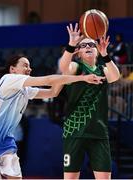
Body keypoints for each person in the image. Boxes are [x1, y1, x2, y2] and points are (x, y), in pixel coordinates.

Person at [0, 54, 105, 179]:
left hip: (5, 141)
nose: (29, 69)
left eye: (30, 66)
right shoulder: (9, 79)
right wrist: (82, 78)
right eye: (25, 65)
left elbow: (53, 92)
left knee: (16, 178)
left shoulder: (25, 90)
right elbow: (48, 80)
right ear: (13, 69)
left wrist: (67, 74)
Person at [59, 23, 120, 179]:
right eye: (83, 45)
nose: (88, 46)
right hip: (74, 131)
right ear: (79, 52)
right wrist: (71, 45)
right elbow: (63, 67)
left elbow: (115, 76)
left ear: (97, 51)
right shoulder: (76, 67)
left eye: (92, 44)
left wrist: (105, 54)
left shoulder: (103, 69)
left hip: (99, 132)